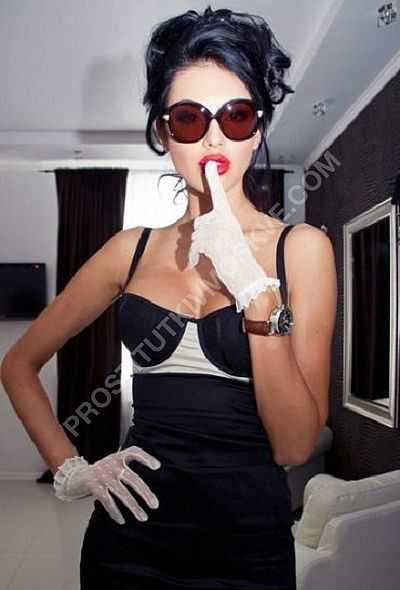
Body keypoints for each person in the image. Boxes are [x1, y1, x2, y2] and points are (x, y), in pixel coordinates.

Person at [0, 5, 338, 590]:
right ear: (164, 133)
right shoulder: (130, 249)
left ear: (257, 130)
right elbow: (18, 364)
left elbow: (294, 445)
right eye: (189, 118)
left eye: (235, 116)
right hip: (127, 543)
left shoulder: (301, 249)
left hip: (248, 551)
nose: (214, 137)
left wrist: (253, 291)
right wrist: (71, 468)